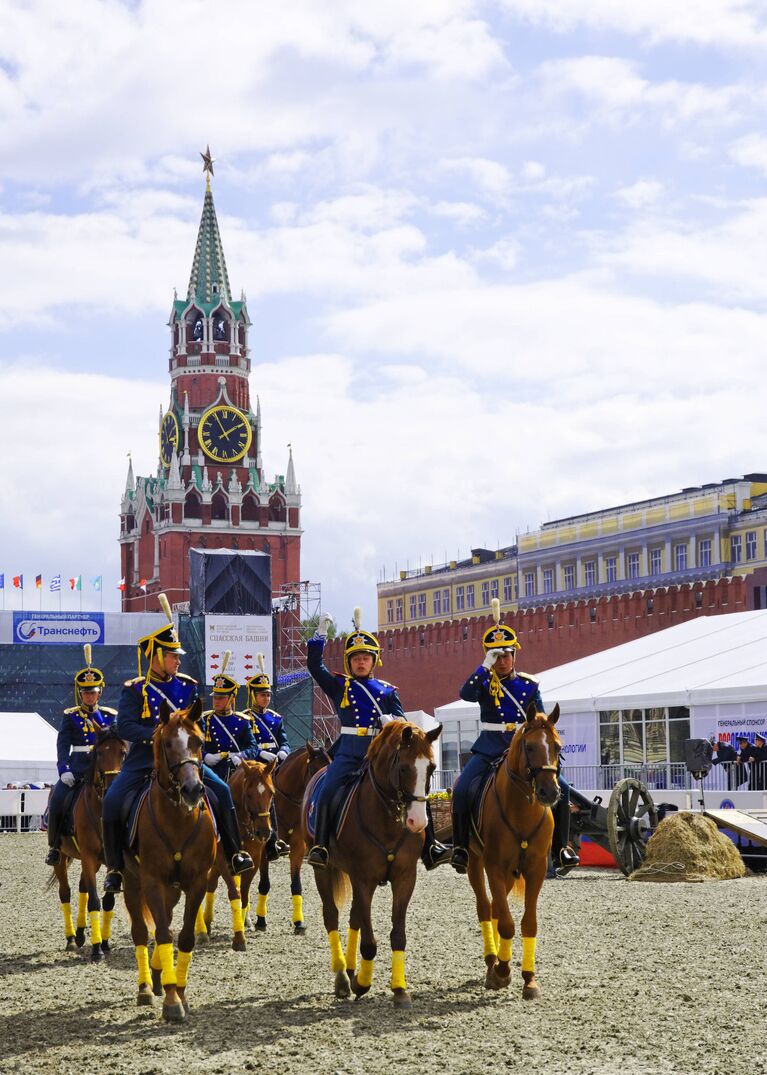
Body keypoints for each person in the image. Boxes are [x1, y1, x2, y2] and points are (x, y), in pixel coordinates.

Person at [101, 604, 254, 895]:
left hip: (184, 760)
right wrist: (158, 736)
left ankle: (235, 853)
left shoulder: (187, 687)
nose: (178, 662)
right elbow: (125, 727)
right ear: (157, 657)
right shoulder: (135, 689)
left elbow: (195, 725)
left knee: (221, 791)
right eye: (173, 656)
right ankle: (115, 868)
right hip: (144, 760)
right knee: (111, 801)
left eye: (178, 657)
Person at [306, 609, 452, 871]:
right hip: (351, 752)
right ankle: (321, 846)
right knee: (328, 789)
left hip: (383, 755)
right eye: (356, 659)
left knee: (416, 789)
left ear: (374, 662)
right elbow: (315, 667)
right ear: (349, 662)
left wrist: (392, 721)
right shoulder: (341, 686)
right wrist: (319, 636)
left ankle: (431, 846)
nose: (361, 663)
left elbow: (402, 720)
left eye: (366, 658)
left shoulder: (387, 690)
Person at [451, 615, 579, 876]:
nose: (502, 661)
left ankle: (560, 850)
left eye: (506, 655)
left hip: (524, 748)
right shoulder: (484, 682)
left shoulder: (528, 684)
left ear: (514, 655)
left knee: (563, 789)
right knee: (463, 789)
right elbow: (465, 694)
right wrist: (483, 666)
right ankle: (461, 849)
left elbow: (543, 722)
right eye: (496, 656)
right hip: (490, 746)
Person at [203, 668, 288, 860]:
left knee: (264, 795)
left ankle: (272, 840)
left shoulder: (242, 721)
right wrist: (206, 756)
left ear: (231, 699)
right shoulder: (206, 720)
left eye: (221, 697)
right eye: (215, 697)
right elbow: (196, 745)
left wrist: (239, 755)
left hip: (238, 768)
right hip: (214, 769)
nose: (216, 701)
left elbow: (251, 746)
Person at [45, 648, 116, 866]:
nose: (89, 696)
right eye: (85, 692)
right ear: (80, 693)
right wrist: (63, 769)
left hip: (103, 770)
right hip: (76, 770)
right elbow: (62, 744)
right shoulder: (71, 716)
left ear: (99, 693)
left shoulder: (109, 716)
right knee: (57, 801)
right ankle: (55, 846)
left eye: (92, 692)